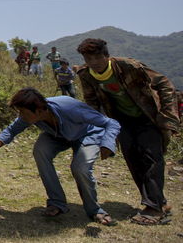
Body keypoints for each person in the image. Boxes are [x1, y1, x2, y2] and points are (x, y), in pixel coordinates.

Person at [75, 38, 179, 225]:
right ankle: (159, 202)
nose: (93, 63)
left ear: (106, 56)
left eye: (97, 58)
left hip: (148, 117)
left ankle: (153, 208)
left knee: (151, 159)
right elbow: (92, 103)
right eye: (88, 59)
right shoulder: (86, 74)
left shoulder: (129, 66)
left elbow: (164, 84)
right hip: (121, 122)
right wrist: (97, 130)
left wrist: (168, 118)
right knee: (133, 159)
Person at [0, 88, 120, 225]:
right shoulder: (31, 113)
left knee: (80, 168)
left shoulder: (70, 108)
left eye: (23, 112)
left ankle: (95, 210)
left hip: (87, 135)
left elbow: (110, 123)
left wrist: (107, 144)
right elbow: (12, 129)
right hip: (57, 135)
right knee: (40, 150)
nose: (21, 116)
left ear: (40, 111)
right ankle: (57, 203)